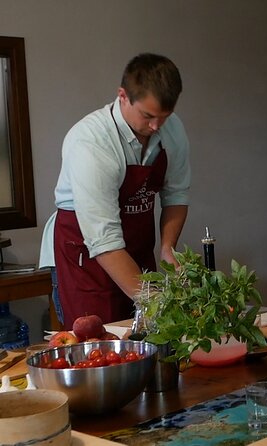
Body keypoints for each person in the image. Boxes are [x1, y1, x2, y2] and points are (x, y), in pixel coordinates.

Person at [39, 53, 191, 329]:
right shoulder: (90, 142)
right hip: (86, 256)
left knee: (147, 339)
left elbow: (177, 195)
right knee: (100, 344)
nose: (156, 126)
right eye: (148, 116)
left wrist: (168, 246)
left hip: (135, 248)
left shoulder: (173, 129)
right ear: (123, 95)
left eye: (164, 117)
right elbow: (104, 240)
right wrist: (155, 302)